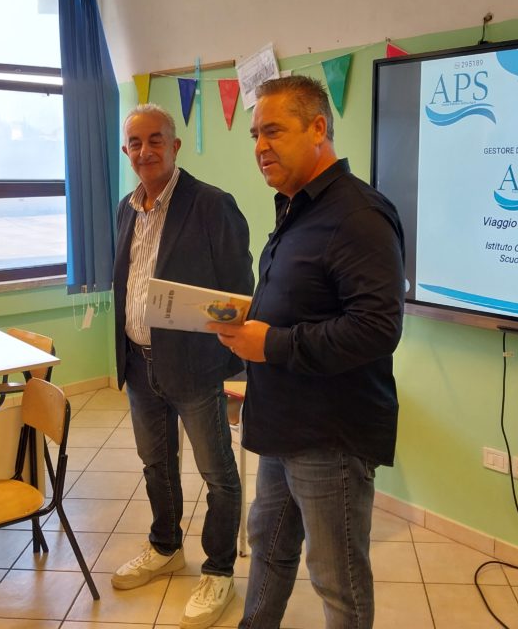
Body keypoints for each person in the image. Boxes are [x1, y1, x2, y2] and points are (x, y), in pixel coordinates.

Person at [210, 76, 405, 629]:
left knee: (336, 579)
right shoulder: (297, 206)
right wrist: (249, 319)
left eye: (273, 131)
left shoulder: (359, 215)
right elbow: (308, 299)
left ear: (318, 128)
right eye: (255, 134)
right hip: (281, 423)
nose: (260, 146)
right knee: (269, 548)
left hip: (330, 436)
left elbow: (376, 328)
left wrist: (269, 342)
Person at [112, 103, 253, 629]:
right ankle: (165, 546)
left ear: (174, 146)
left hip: (194, 367)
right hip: (138, 362)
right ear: (126, 151)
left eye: (155, 140)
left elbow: (239, 290)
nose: (144, 151)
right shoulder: (126, 208)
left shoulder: (212, 205)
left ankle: (218, 570)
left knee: (217, 473)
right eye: (135, 143)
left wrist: (224, 358)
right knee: (156, 463)